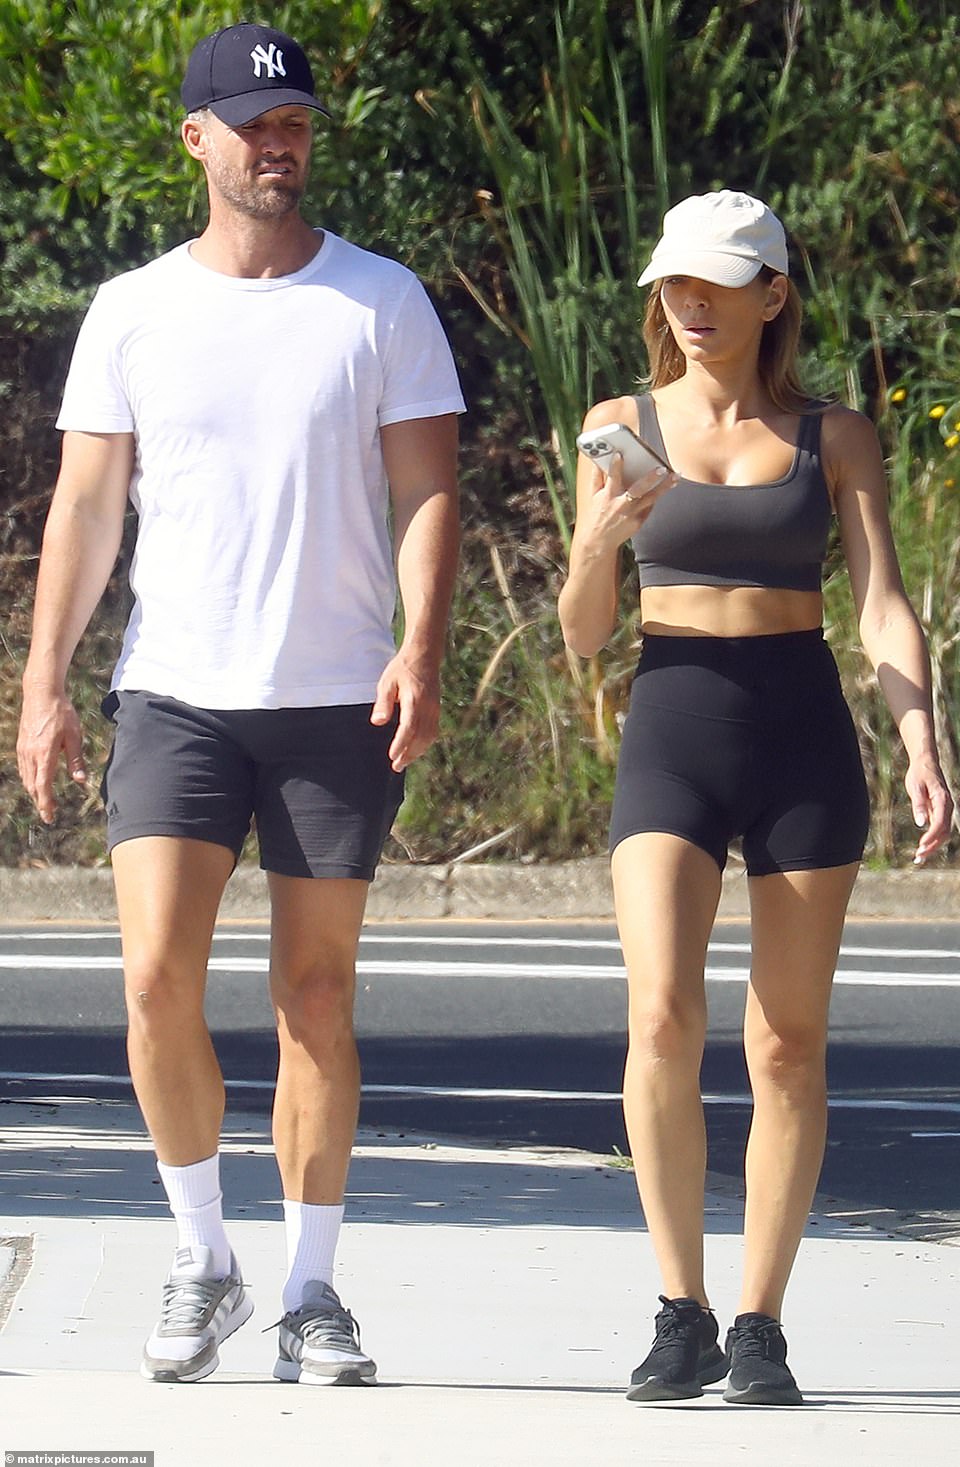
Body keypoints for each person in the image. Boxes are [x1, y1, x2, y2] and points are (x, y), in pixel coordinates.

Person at [16, 22, 463, 1387]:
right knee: (154, 976)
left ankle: (312, 1288)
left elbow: (425, 489)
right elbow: (89, 506)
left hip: (336, 695)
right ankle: (203, 1252)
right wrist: (43, 681)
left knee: (314, 993)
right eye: (255, 124)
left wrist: (424, 646)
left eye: (297, 125)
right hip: (175, 692)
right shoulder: (134, 309)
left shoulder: (379, 301)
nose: (281, 145)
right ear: (198, 139)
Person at [558, 189, 953, 1406]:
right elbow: (582, 638)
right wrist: (598, 543)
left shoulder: (832, 435)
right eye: (674, 284)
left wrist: (920, 734)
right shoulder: (615, 425)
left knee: (784, 1045)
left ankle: (757, 1322)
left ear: (770, 293)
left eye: (718, 284)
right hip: (673, 718)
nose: (690, 305)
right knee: (661, 1017)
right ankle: (676, 1306)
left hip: (798, 726)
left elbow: (879, 601)